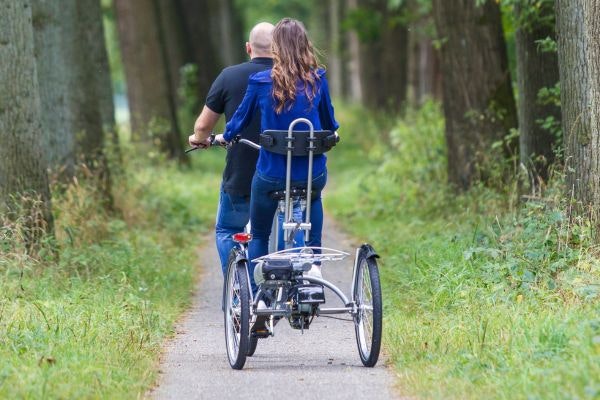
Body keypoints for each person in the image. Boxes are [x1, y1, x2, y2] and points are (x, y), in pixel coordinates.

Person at [217, 18, 339, 292]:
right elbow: (330, 123)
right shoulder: (318, 79)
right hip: (311, 172)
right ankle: (313, 259)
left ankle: (259, 291)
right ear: (305, 45)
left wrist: (226, 136)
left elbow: (237, 122)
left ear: (275, 49)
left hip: (272, 174)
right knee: (313, 196)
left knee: (259, 232)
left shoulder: (260, 81)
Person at [188, 22, 275, 276]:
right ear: (279, 49)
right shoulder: (291, 78)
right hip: (286, 174)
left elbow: (203, 126)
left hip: (242, 174)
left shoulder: (229, 76)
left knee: (227, 230)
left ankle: (239, 290)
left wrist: (199, 138)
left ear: (248, 48)